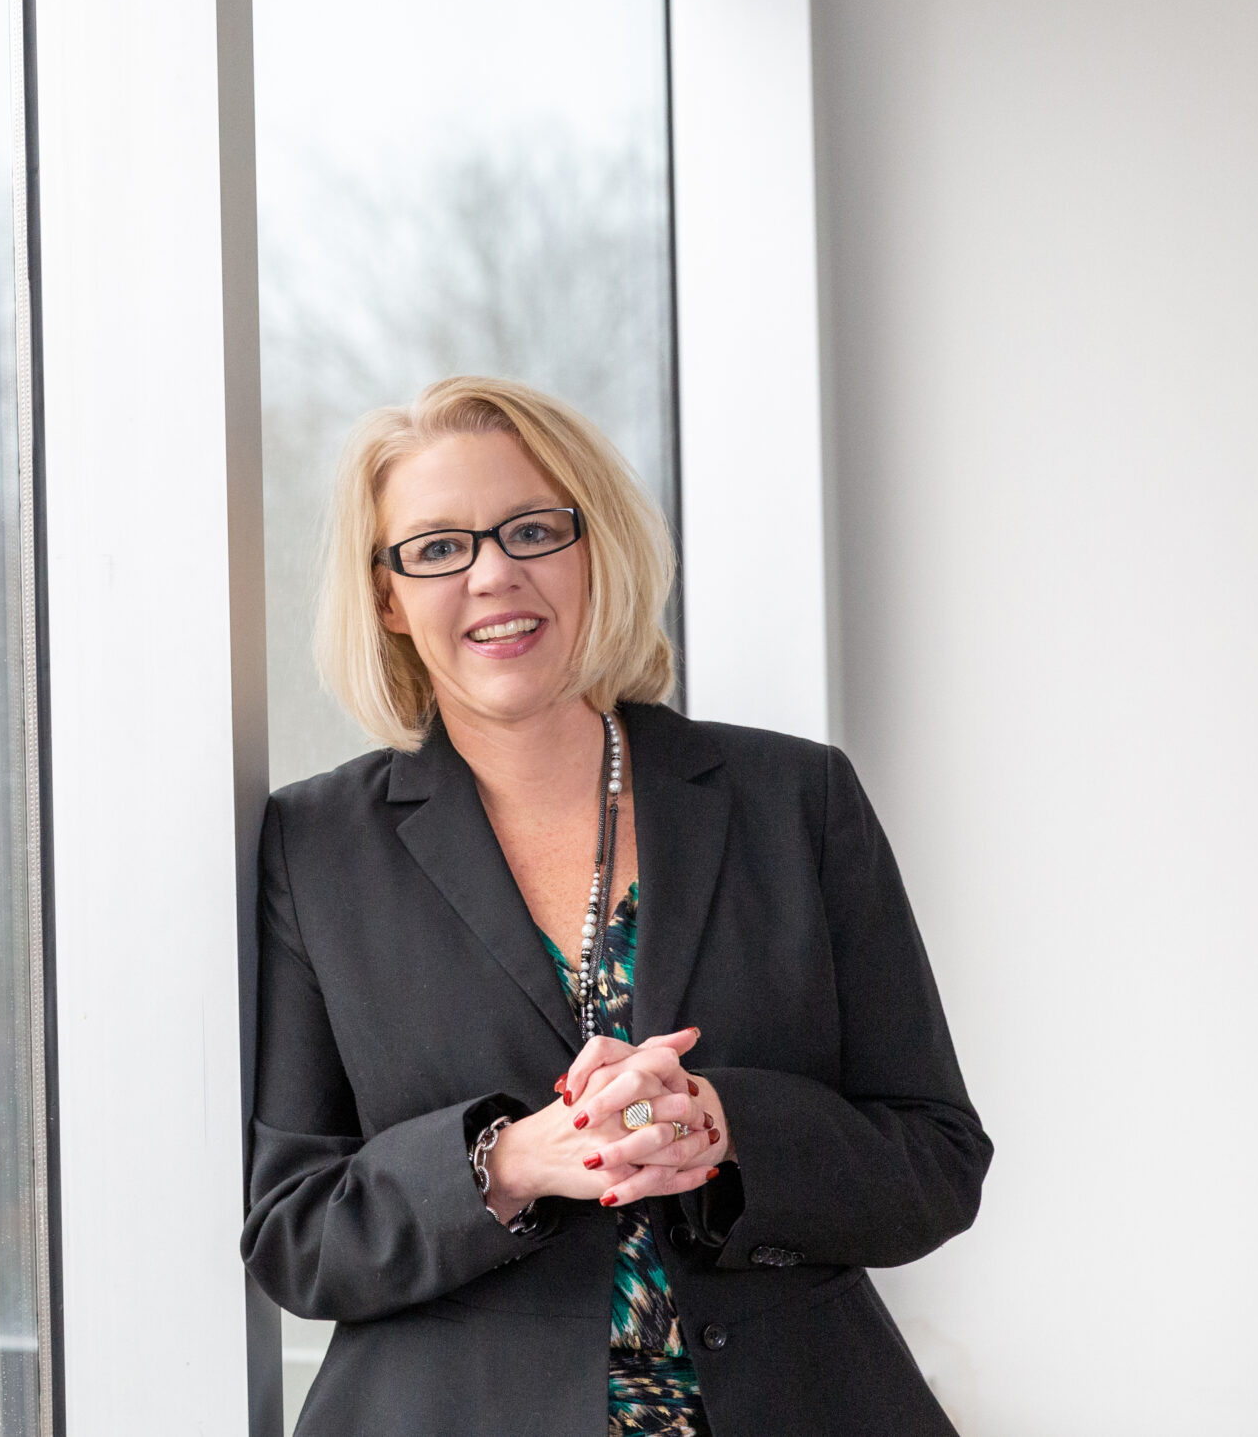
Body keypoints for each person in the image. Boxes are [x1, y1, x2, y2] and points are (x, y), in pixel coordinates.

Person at [243, 376, 989, 1437]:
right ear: (386, 599)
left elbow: (937, 1160)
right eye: (437, 547)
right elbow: (293, 1231)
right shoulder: (314, 847)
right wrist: (504, 1164)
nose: (493, 572)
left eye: (532, 529)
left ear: (597, 548)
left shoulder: (795, 801)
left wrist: (726, 1130)